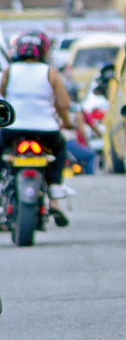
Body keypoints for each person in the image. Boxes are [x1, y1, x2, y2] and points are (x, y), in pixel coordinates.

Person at [0, 32, 75, 227]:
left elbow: (2, 98)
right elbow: (64, 103)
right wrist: (66, 122)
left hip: (12, 130)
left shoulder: (10, 71)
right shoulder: (50, 72)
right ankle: (55, 192)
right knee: (59, 149)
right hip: (46, 131)